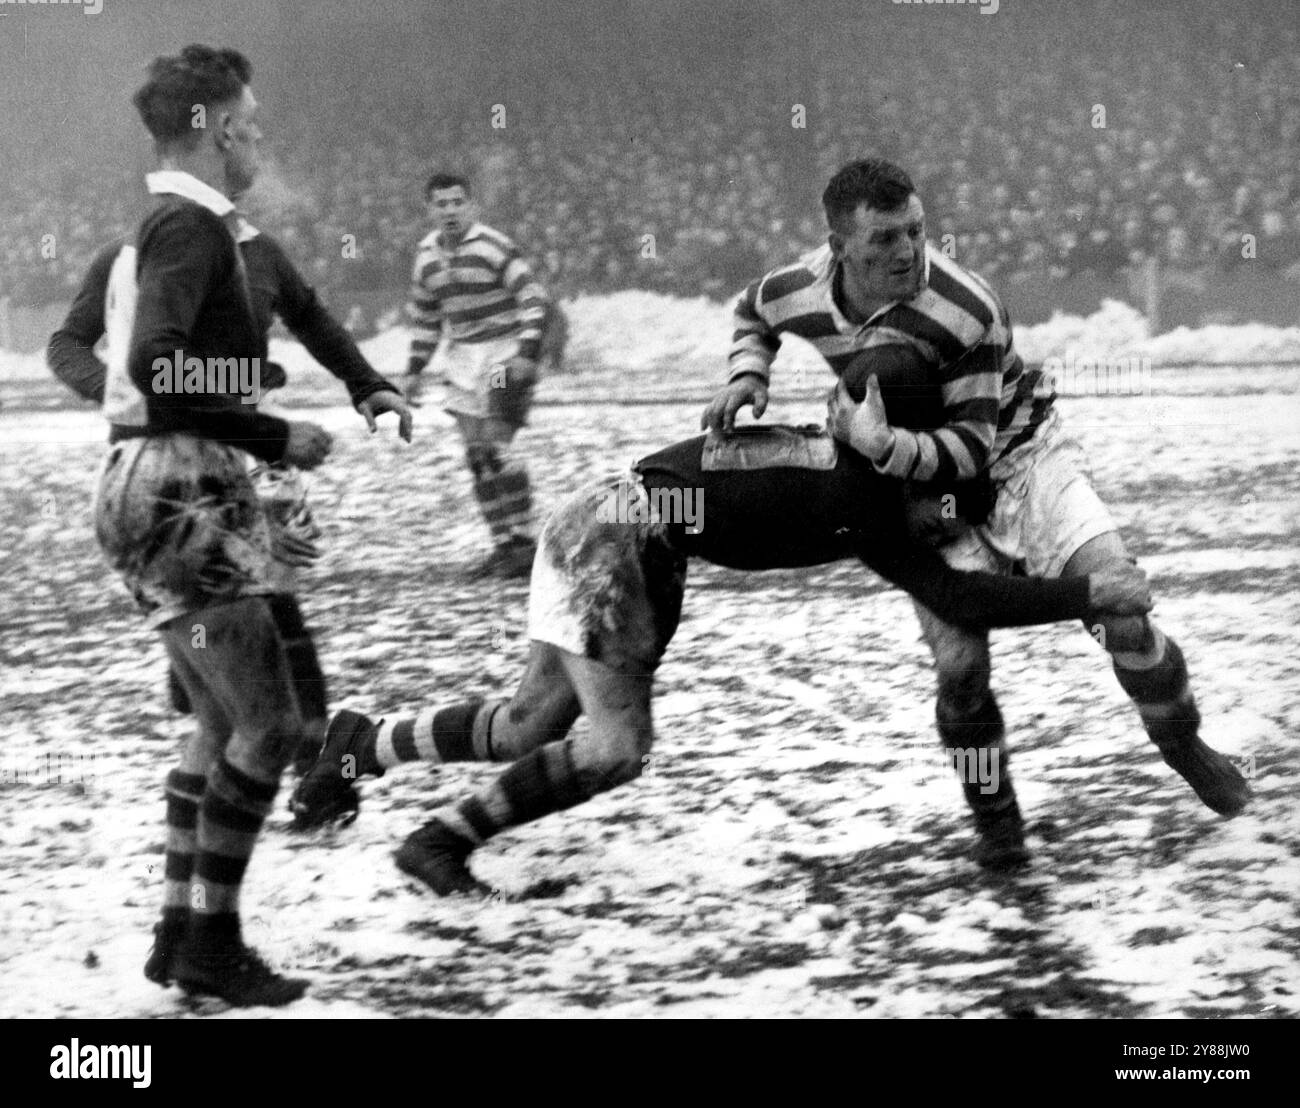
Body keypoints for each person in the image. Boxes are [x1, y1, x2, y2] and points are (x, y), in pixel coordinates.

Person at [288, 424, 1153, 890]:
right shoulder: (870, 503)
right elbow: (962, 598)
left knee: (531, 723)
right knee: (616, 750)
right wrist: (1086, 596)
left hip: (601, 512)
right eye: (945, 517)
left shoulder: (850, 460)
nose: (942, 534)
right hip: (625, 538)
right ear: (923, 489)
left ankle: (365, 745)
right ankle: (441, 841)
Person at [702, 158, 1250, 866]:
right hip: (914, 486)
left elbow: (969, 449)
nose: (908, 252)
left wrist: (878, 442)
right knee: (959, 670)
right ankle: (998, 824)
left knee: (1124, 613)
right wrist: (748, 373)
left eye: (918, 231)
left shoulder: (966, 306)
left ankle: (1182, 743)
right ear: (840, 248)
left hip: (1019, 456)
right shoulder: (798, 289)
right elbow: (750, 312)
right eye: (886, 240)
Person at [93, 45, 407, 1007]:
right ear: (219, 128)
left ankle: (178, 929)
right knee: (271, 728)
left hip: (141, 483)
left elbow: (285, 320)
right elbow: (158, 364)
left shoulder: (176, 228)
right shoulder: (190, 227)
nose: (261, 136)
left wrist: (348, 385)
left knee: (218, 726)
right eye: (253, 121)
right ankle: (212, 945)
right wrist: (274, 429)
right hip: (187, 487)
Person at [48, 209, 411, 755]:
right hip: (176, 461)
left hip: (255, 445)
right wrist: (125, 390)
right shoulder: (129, 255)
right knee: (229, 657)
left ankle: (312, 768)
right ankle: (268, 743)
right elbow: (68, 345)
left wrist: (366, 383)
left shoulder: (259, 249)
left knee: (277, 593)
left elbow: (310, 316)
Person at [401, 171, 550, 579]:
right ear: (429, 209)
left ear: (471, 206)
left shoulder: (494, 246)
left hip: (503, 352)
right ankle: (503, 544)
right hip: (462, 358)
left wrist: (528, 351)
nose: (450, 211)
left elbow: (534, 297)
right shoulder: (426, 257)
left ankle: (525, 540)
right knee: (476, 456)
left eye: (457, 203)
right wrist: (413, 372)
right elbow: (427, 319)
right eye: (441, 204)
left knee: (497, 449)